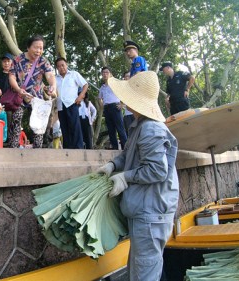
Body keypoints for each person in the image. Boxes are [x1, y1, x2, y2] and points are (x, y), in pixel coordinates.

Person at [96, 71, 179, 281]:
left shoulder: (150, 128)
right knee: (139, 271)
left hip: (150, 215)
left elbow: (157, 170)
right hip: (145, 213)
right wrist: (113, 165)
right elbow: (129, 154)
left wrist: (125, 178)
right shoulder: (139, 125)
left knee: (144, 274)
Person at [9, 35, 57, 148]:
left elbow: (50, 75)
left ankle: (37, 149)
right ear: (28, 47)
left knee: (38, 123)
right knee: (17, 117)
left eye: (41, 48)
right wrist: (18, 89)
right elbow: (11, 77)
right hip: (20, 95)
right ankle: (14, 147)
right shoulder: (17, 59)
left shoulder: (43, 61)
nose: (39, 51)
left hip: (37, 97)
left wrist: (53, 86)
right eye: (36, 47)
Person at [54, 57, 87, 149]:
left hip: (72, 104)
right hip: (60, 106)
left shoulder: (74, 74)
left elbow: (85, 84)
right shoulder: (55, 78)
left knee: (74, 126)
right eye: (59, 66)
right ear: (57, 68)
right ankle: (68, 149)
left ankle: (78, 148)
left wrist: (80, 96)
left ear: (66, 65)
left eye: (63, 65)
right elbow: (52, 90)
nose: (61, 68)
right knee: (64, 127)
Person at [98, 67, 127, 150]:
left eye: (106, 72)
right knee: (111, 130)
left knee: (120, 128)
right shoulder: (102, 87)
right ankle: (114, 148)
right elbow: (99, 98)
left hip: (115, 107)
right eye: (103, 72)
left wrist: (122, 105)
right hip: (107, 108)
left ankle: (125, 148)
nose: (104, 74)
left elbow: (124, 93)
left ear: (110, 74)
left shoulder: (116, 84)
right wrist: (102, 106)